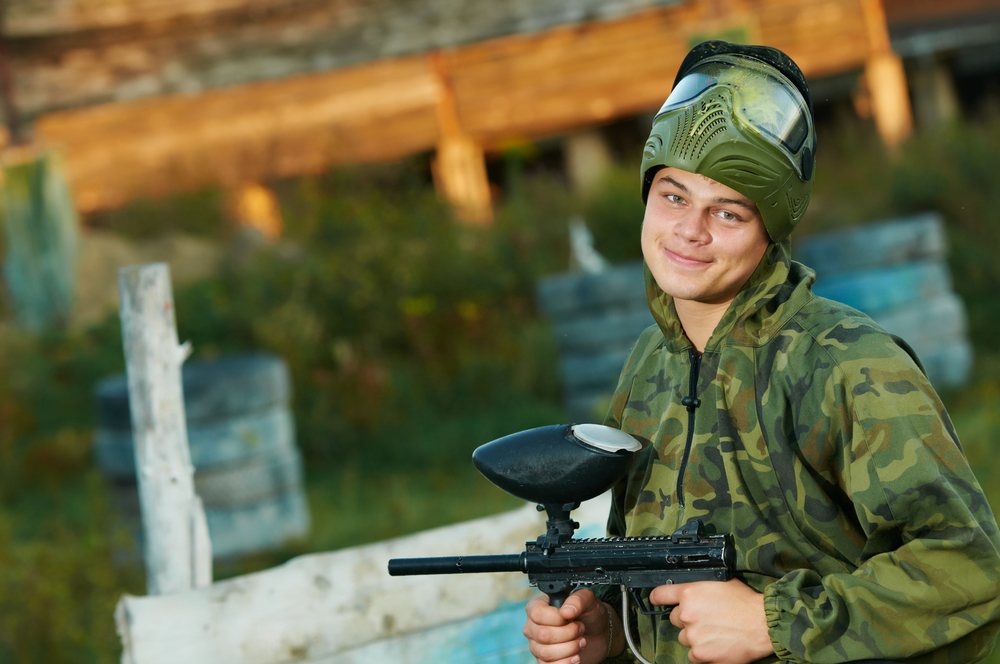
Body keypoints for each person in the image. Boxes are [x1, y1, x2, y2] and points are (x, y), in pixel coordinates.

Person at [522, 40, 1000, 664]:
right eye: (673, 196)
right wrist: (609, 633)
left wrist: (773, 624)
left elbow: (967, 566)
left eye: (728, 212)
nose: (691, 231)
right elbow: (658, 583)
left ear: (770, 228)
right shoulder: (649, 367)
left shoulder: (844, 362)